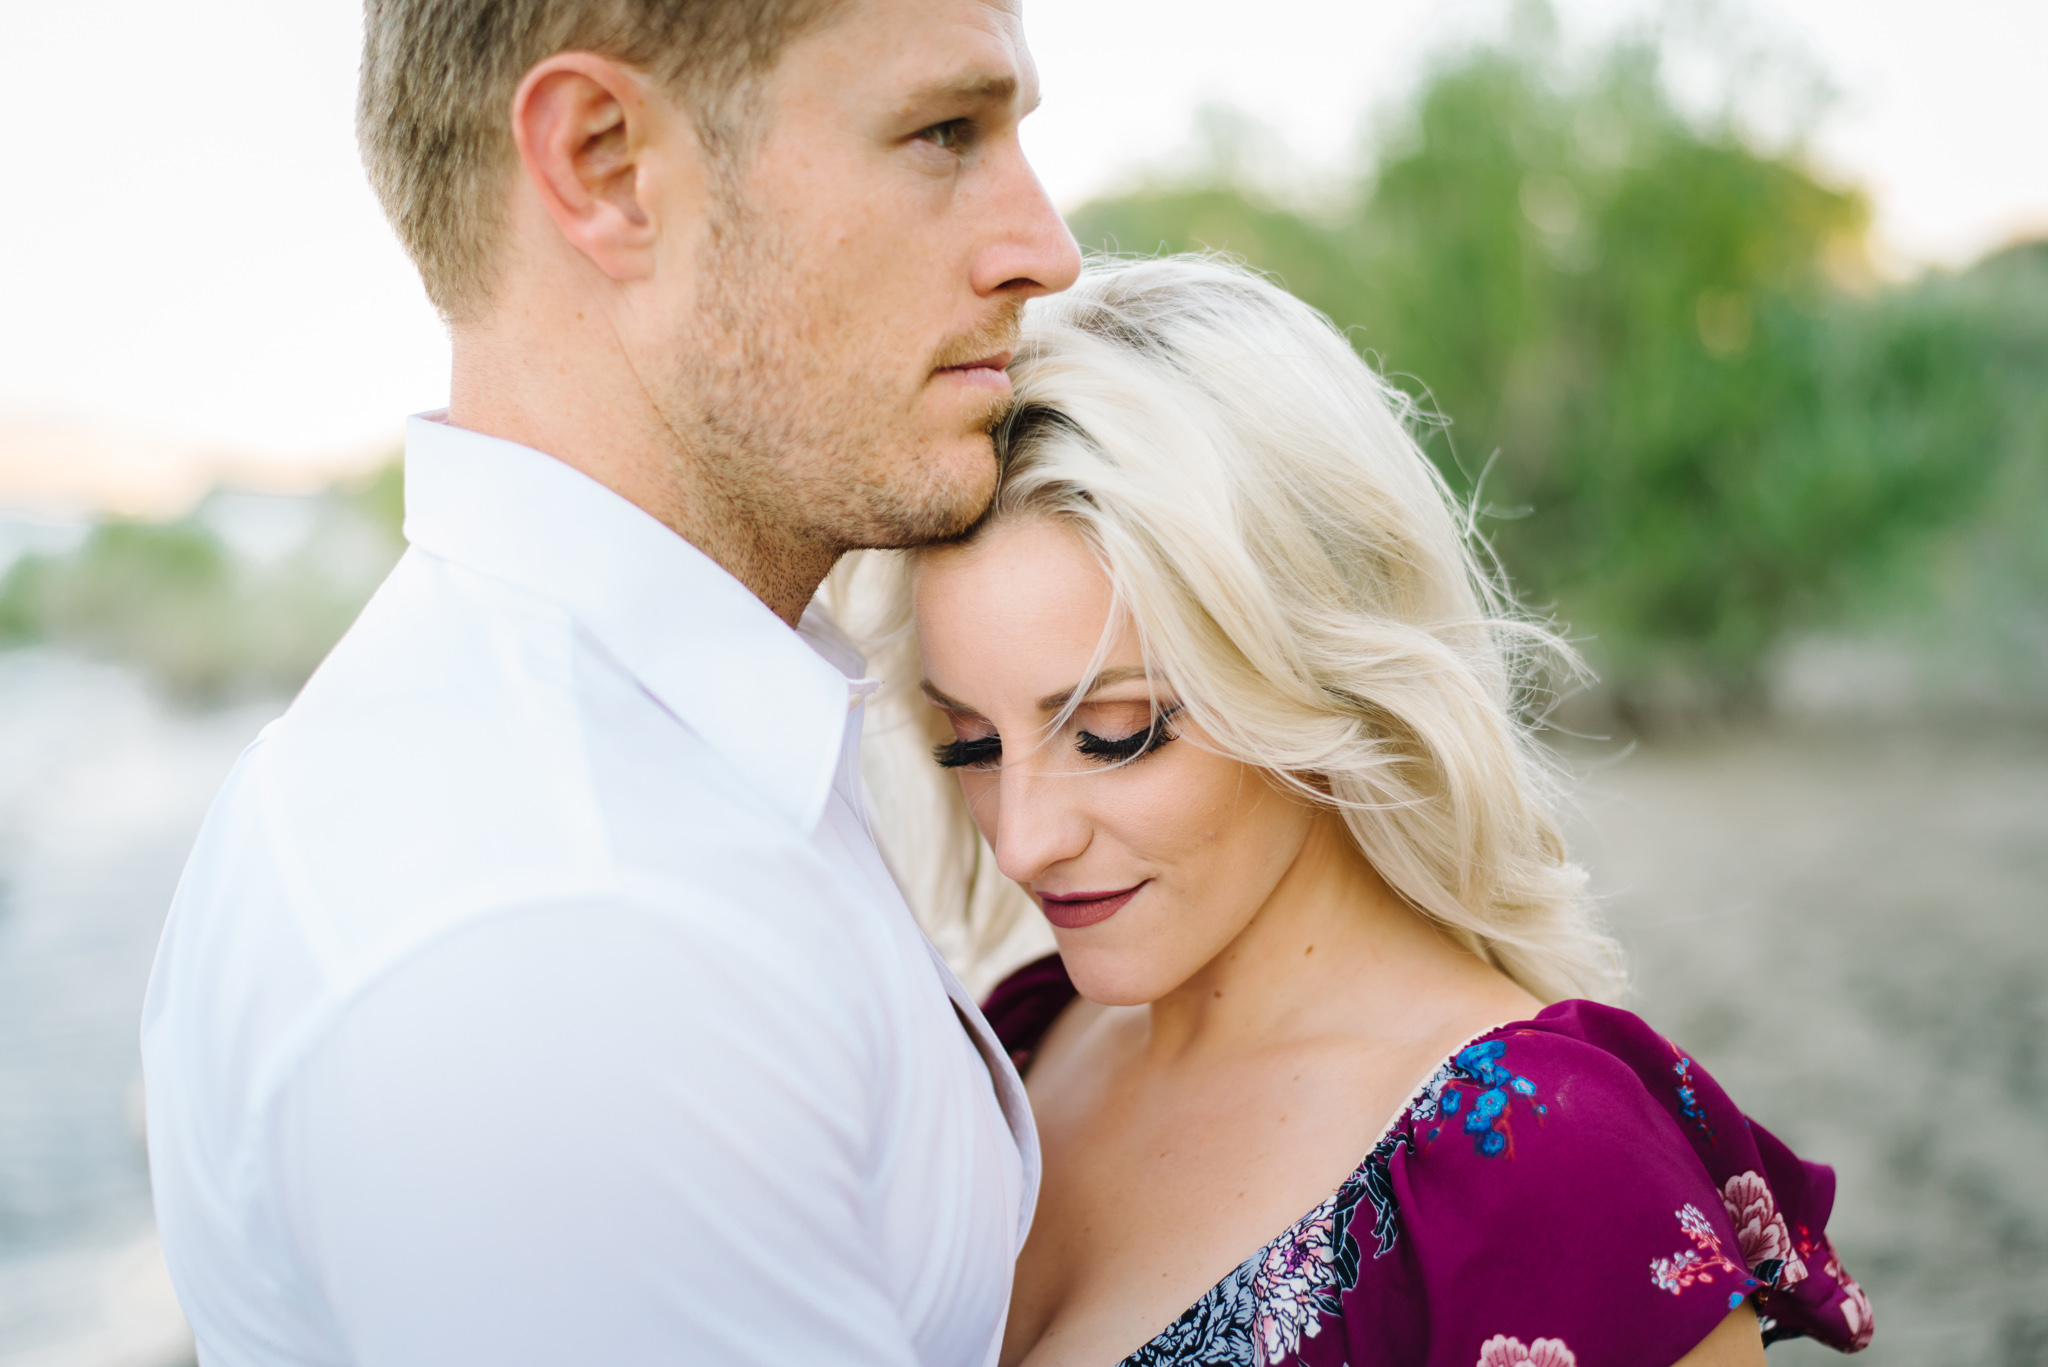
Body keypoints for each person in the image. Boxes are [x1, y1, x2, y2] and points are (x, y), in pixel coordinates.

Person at [140, 1, 1079, 1363]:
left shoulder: (646, 755)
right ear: (606, 165)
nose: (1042, 247)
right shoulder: (561, 932)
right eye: (943, 131)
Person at [861, 257, 1875, 1366]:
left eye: (1116, 730)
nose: (1021, 839)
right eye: (971, 742)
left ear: (1319, 675)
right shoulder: (1021, 1042)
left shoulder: (1542, 1162)